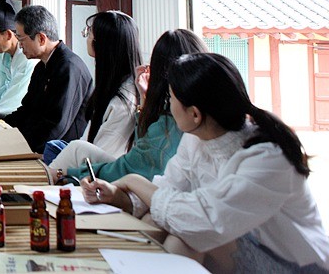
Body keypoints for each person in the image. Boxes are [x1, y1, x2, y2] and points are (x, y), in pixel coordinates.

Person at [83, 53, 329, 274]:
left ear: (195, 114)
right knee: (159, 223)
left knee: (184, 236)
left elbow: (204, 219)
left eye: (171, 99)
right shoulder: (197, 139)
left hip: (293, 265)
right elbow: (169, 191)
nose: (168, 106)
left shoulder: (267, 158)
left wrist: (133, 181)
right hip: (236, 239)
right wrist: (119, 196)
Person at [51, 29, 207, 184]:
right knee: (76, 148)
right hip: (139, 177)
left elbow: (132, 168)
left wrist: (66, 174)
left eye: (90, 32)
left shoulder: (169, 117)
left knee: (73, 151)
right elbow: (142, 153)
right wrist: (144, 99)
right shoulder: (185, 109)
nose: (87, 38)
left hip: (138, 180)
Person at [41, 10, 142, 164]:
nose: (86, 38)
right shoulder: (115, 84)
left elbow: (99, 159)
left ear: (101, 43)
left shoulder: (123, 100)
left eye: (88, 33)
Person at [0, 5, 93, 153]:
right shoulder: (41, 66)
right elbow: (27, 110)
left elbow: (56, 126)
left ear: (41, 38)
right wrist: (0, 127)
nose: (19, 45)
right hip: (34, 142)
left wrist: (18, 146)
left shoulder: (69, 68)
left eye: (21, 39)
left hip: (59, 152)